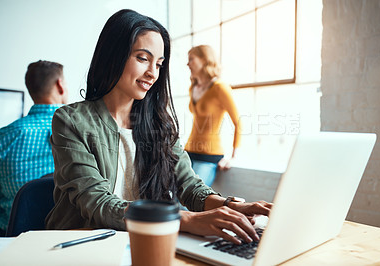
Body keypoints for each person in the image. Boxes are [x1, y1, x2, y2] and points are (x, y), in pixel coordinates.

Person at [45, 9, 271, 245]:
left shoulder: (159, 124)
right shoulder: (70, 121)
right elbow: (97, 202)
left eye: (159, 64)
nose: (153, 73)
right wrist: (184, 219)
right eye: (143, 58)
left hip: (145, 243)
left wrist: (232, 206)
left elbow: (188, 185)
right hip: (84, 245)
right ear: (114, 55)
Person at [0, 60, 68, 236]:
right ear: (60, 85)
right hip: (66, 233)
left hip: (12, 235)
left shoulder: (0, 138)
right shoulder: (79, 131)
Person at [184, 45, 242, 187]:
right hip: (187, 153)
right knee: (171, 200)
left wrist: (233, 157)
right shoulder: (193, 87)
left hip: (209, 157)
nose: (188, 64)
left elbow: (238, 122)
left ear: (204, 60)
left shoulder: (219, 88)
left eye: (191, 59)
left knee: (190, 202)